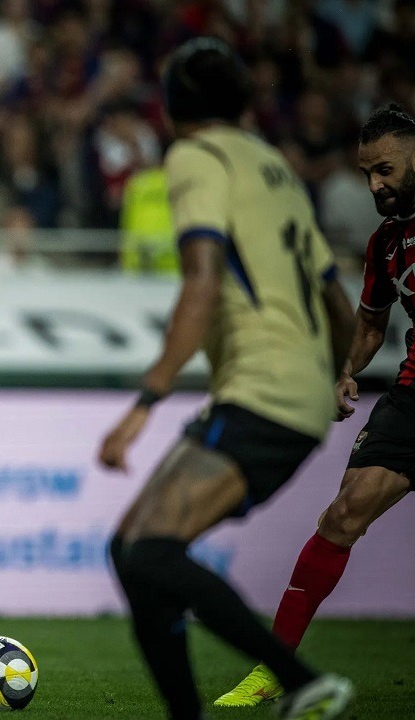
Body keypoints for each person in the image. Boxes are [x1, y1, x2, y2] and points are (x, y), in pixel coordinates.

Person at [96, 39, 357, 720]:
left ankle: (299, 681)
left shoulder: (196, 157)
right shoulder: (276, 167)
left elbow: (202, 279)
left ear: (171, 107)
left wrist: (146, 401)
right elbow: (337, 301)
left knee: (147, 551)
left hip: (260, 389)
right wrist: (336, 377)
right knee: (134, 552)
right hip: (299, 393)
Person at [214, 104, 415, 707]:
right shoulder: (386, 244)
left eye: (384, 170)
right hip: (413, 395)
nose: (374, 185)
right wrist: (342, 370)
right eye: (367, 173)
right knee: (343, 514)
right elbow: (371, 325)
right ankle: (275, 671)